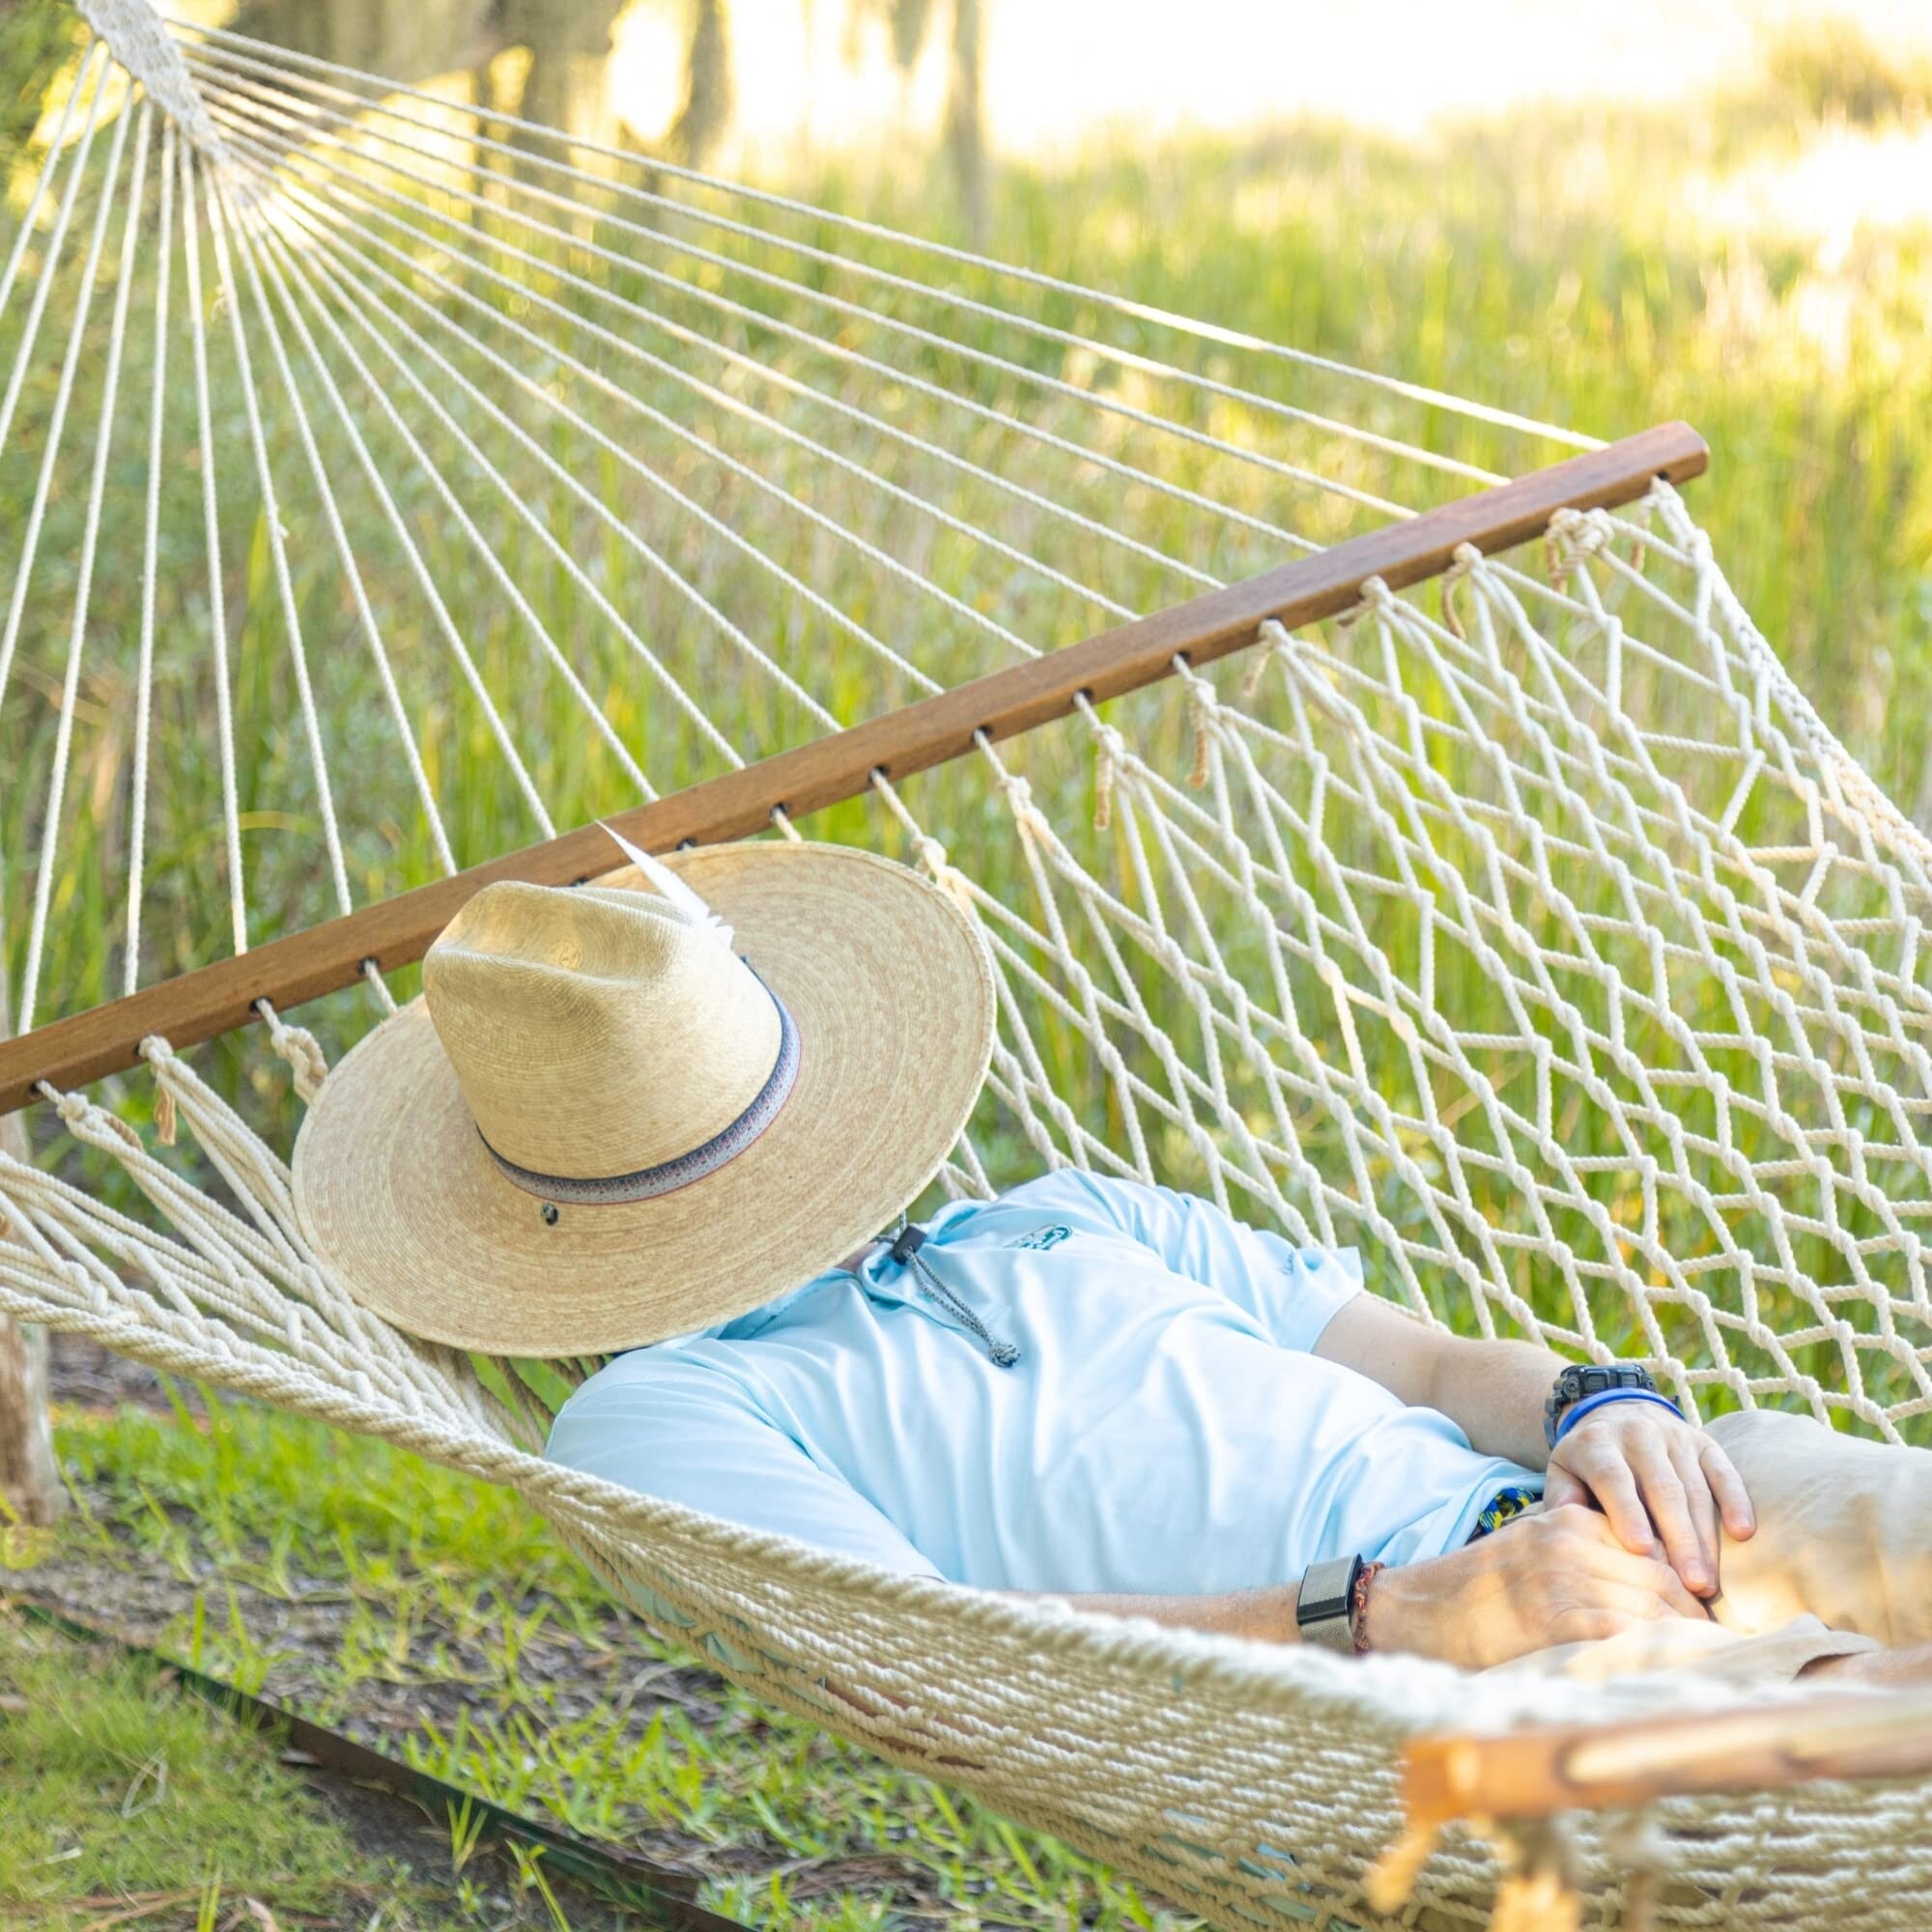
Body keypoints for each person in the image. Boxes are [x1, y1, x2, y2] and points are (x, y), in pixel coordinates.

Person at [291, 836, 1932, 1686]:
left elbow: (1432, 1369)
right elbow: (943, 1653)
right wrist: (1386, 1616)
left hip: (1636, 1510)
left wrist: (1596, 1400)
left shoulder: (1061, 1212)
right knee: (1867, 1751)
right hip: (1416, 1700)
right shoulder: (660, 1415)